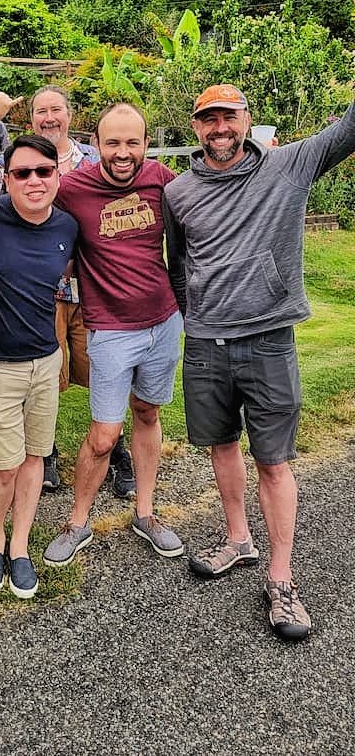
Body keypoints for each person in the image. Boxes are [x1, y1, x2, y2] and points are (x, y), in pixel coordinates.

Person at [163, 79, 355, 641]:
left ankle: (281, 579)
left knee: (272, 461)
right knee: (221, 444)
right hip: (205, 345)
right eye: (209, 119)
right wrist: (198, 315)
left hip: (269, 341)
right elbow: (179, 265)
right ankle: (238, 540)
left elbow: (349, 129)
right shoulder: (178, 192)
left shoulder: (289, 166)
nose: (220, 128)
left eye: (230, 117)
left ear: (247, 120)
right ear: (196, 128)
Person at [41, 102, 184, 569]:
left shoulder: (162, 180)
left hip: (163, 321)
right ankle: (77, 522)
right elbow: (28, 209)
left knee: (147, 412)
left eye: (132, 143)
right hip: (109, 329)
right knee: (104, 435)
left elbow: (207, 207)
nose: (123, 153)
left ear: (146, 144)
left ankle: (145, 512)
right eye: (113, 143)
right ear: (96, 144)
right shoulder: (73, 188)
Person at [0, 119, 78, 599]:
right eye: (22, 173)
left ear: (57, 175)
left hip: (46, 361)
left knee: (35, 456)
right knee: (1, 465)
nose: (34, 180)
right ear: (6, 179)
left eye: (43, 171)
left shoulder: (67, 226)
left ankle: (20, 547)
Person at [30, 85, 135, 498]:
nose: (49, 117)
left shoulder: (95, 158)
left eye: (56, 109)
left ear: (69, 115)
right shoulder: (26, 161)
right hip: (46, 290)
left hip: (96, 287)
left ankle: (117, 451)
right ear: (32, 119)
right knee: (45, 374)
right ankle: (45, 452)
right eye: (41, 111)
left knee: (106, 371)